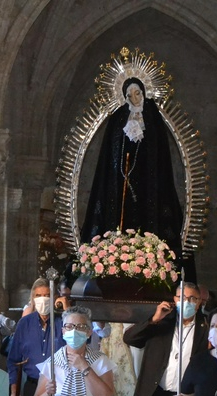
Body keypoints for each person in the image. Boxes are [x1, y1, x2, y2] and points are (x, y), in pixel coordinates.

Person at [80, 77, 187, 273]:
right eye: (130, 95)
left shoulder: (153, 118)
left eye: (137, 93)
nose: (135, 98)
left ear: (144, 93)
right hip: (120, 182)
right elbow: (110, 155)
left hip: (149, 183)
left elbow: (160, 155)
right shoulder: (119, 119)